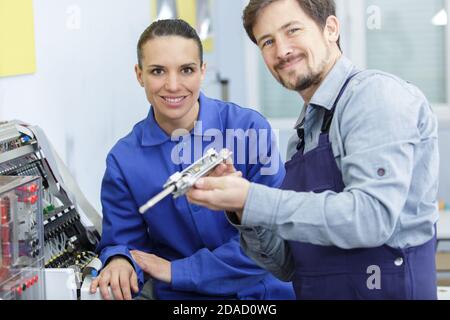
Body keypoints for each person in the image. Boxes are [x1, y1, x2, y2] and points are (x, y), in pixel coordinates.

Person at [187, 0, 440, 300]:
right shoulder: (302, 136)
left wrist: (253, 197)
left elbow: (372, 218)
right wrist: (242, 209)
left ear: (331, 29)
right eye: (267, 41)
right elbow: (290, 265)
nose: (281, 50)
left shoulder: (374, 97)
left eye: (292, 30)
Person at [89, 18, 295, 300]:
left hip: (262, 294)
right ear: (139, 75)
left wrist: (179, 271)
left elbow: (275, 241)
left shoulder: (249, 130)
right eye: (158, 71)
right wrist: (120, 260)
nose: (173, 85)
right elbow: (123, 242)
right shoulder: (124, 160)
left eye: (186, 70)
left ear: (202, 72)